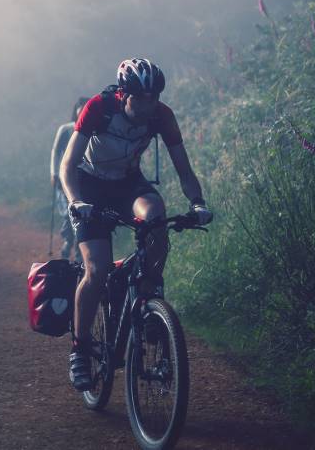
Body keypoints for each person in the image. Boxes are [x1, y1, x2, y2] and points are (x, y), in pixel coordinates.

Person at [58, 58, 213, 392]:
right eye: (140, 98)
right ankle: (80, 351)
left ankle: (150, 295)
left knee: (156, 215)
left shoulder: (161, 115)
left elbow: (184, 170)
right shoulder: (98, 108)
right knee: (96, 270)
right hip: (89, 187)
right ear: (123, 95)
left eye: (153, 97)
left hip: (128, 183)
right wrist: (75, 203)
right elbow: (68, 166)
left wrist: (197, 203)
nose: (147, 105)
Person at [50, 98, 88, 261]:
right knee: (68, 213)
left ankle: (79, 250)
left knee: (81, 212)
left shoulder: (93, 130)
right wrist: (54, 173)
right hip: (66, 176)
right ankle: (68, 241)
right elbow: (56, 151)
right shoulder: (65, 129)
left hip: (85, 176)